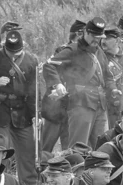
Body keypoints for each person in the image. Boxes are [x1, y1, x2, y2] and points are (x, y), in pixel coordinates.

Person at [0, 30, 40, 185]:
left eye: (16, 52)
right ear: (5, 47)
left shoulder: (31, 61)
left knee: (27, 152)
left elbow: (35, 90)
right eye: (10, 52)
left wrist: (35, 114)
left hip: (22, 113)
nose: (13, 55)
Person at [44, 17, 120, 150]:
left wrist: (113, 89)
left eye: (99, 37)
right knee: (78, 149)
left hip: (100, 105)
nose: (97, 40)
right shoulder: (72, 50)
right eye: (94, 36)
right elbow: (49, 66)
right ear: (86, 33)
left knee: (102, 149)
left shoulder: (99, 52)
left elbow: (107, 77)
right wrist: (58, 84)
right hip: (80, 105)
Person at [40, 20, 86, 153]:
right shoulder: (62, 51)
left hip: (74, 108)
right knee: (45, 149)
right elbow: (50, 69)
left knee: (70, 149)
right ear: (78, 35)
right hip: (56, 108)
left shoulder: (88, 54)